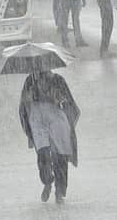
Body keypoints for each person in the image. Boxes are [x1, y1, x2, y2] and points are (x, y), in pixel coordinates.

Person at [18, 69, 80, 204]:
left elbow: (69, 102)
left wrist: (57, 98)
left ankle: (59, 191)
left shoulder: (58, 80)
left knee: (60, 155)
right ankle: (47, 180)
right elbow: (23, 105)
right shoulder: (30, 81)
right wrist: (30, 97)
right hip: (37, 119)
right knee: (43, 153)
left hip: (56, 116)